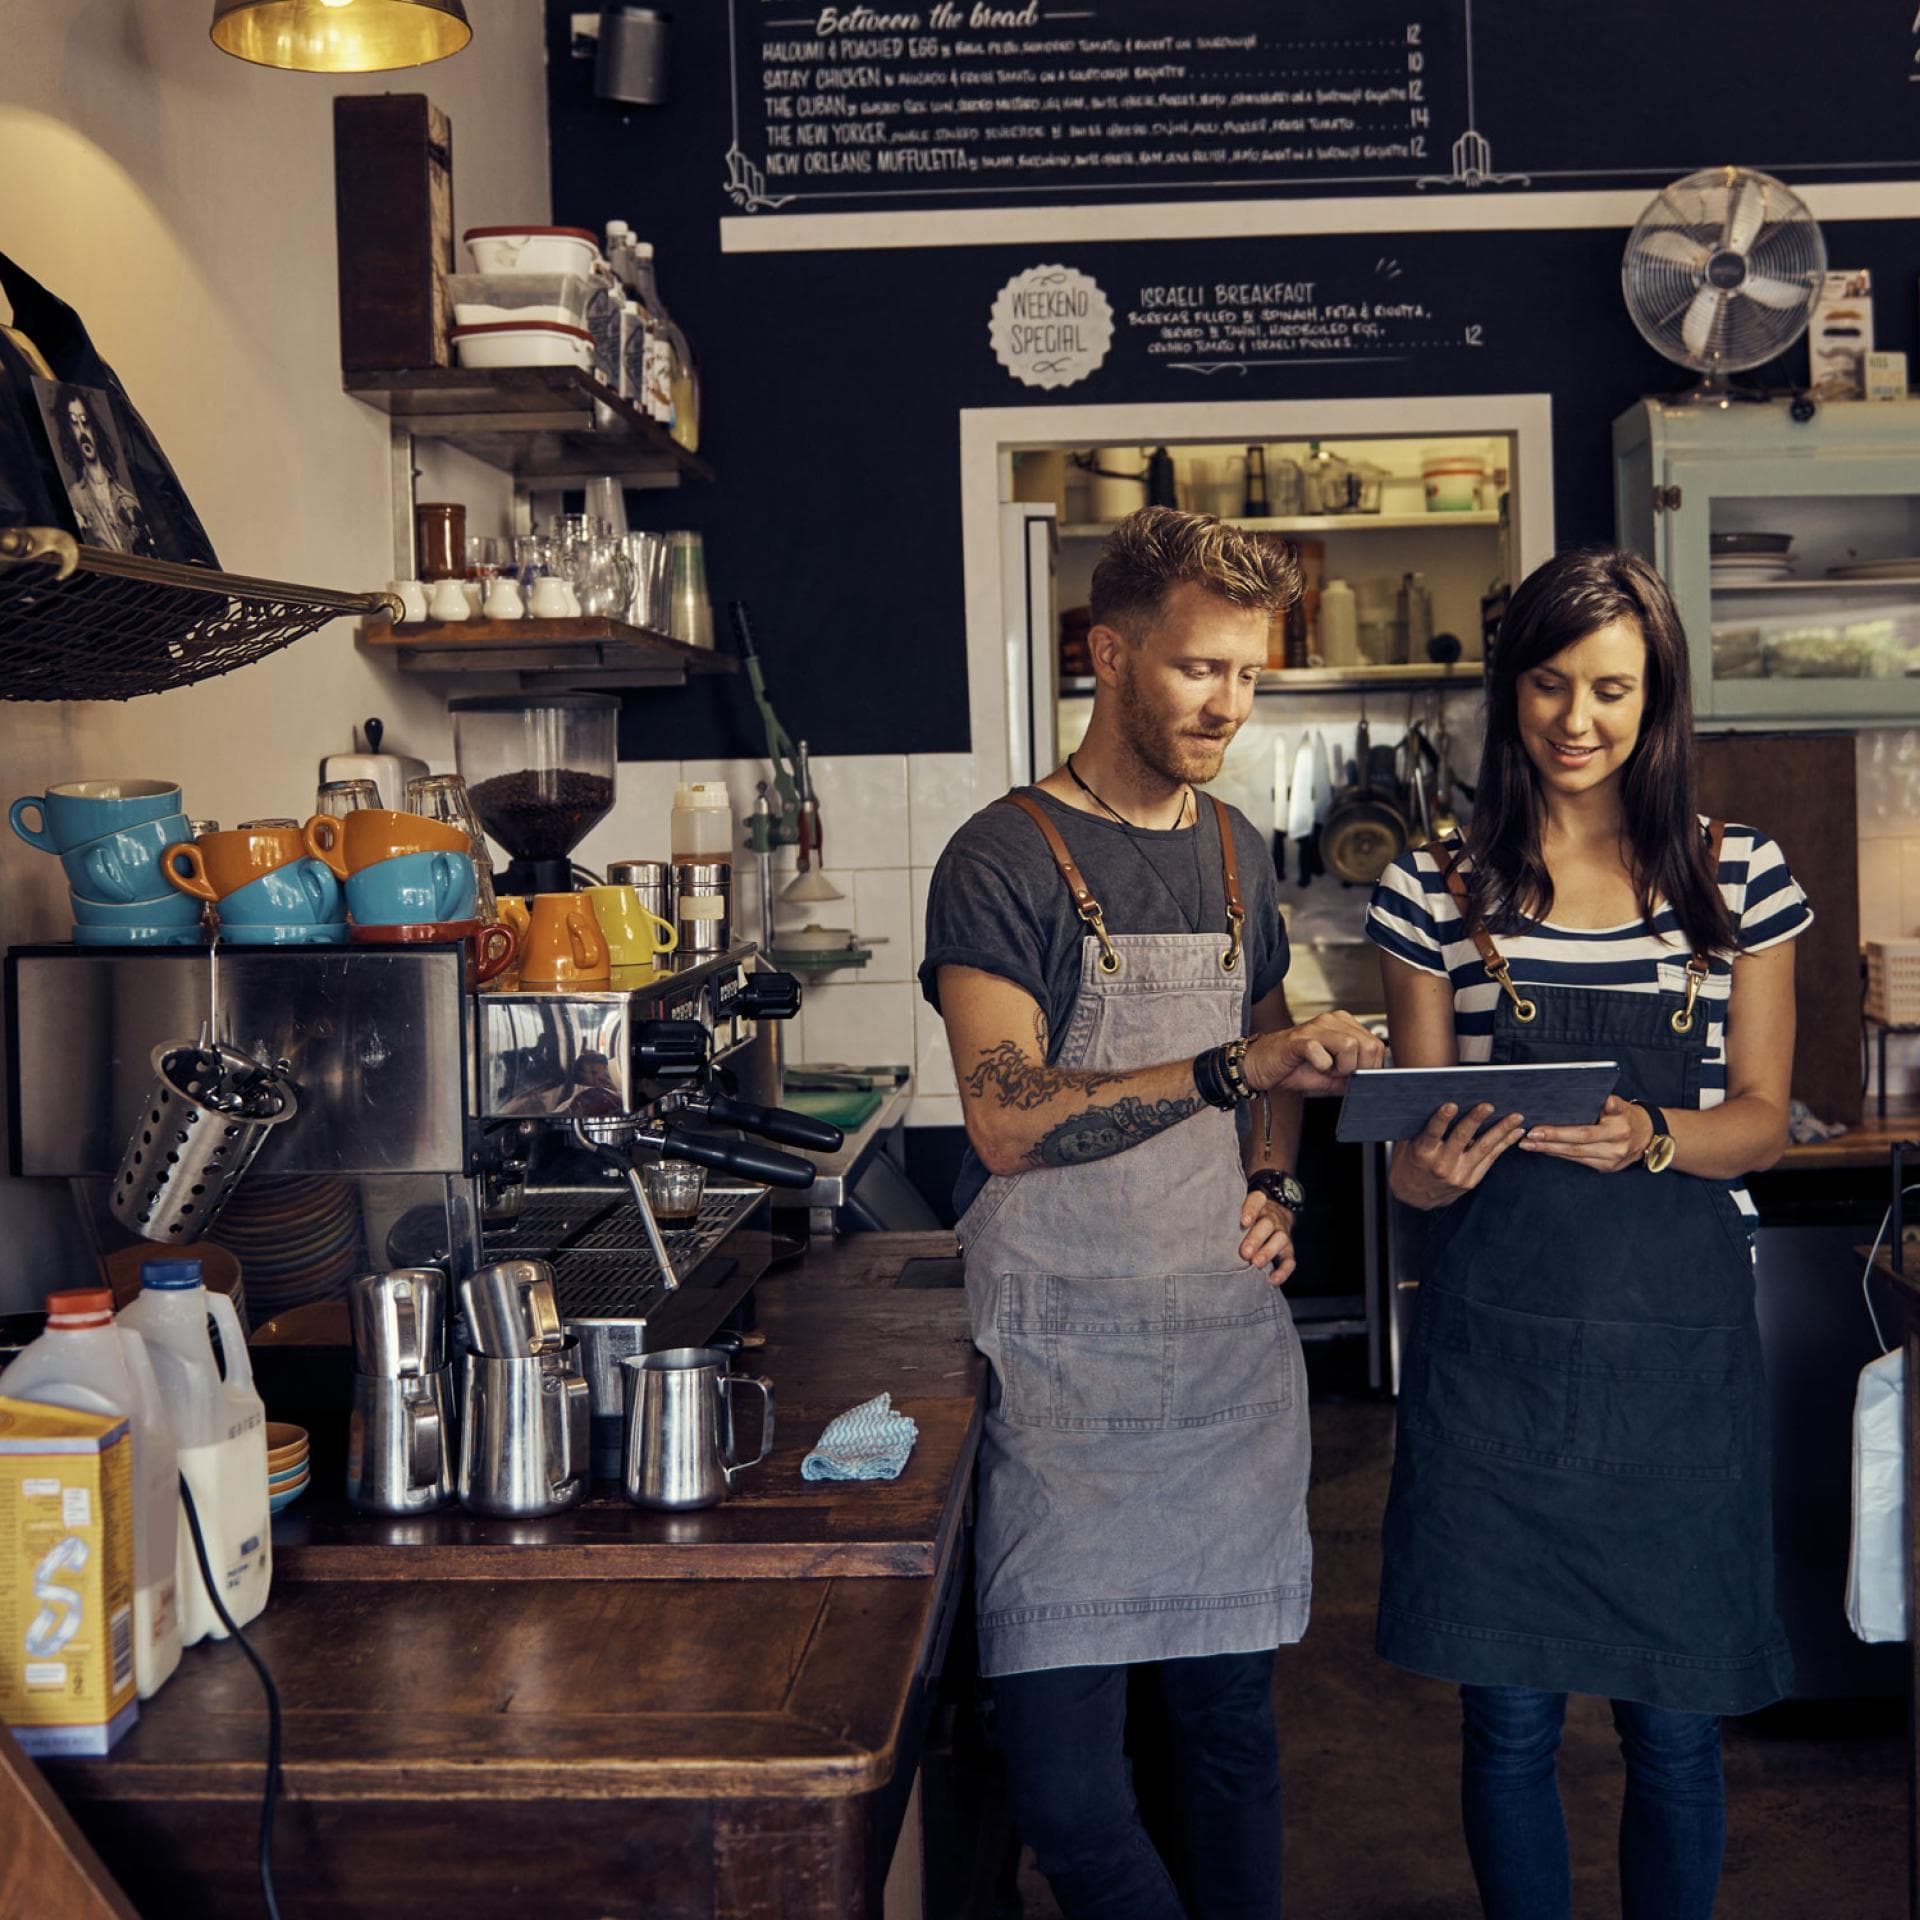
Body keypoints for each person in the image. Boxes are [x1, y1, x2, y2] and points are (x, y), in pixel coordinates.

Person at [920, 506, 1383, 1918]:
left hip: (1220, 1363)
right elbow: (1004, 1118)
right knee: (1068, 1798)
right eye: (1198, 669)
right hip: (1065, 1378)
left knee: (1230, 1746)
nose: (1227, 705)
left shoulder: (1238, 852)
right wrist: (1232, 1064)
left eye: (1248, 675)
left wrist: (1272, 1173)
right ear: (1108, 654)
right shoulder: (1000, 860)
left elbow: (1273, 1065)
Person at [1365, 546, 1809, 1920]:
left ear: (1657, 698)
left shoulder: (1741, 880)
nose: (1575, 719)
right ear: (1510, 695)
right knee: (1508, 1725)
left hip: (1672, 1373)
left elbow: (1765, 1119)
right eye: (1549, 685)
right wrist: (1432, 1171)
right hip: (1498, 1364)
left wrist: (1654, 1139)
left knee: (1672, 1727)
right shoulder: (1435, 889)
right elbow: (1411, 1172)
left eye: (1610, 689)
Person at [53, 388, 148, 553]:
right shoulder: (74, 498)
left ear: (95, 430)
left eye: (85, 421)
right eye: (75, 423)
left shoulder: (126, 496)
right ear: (69, 433)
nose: (83, 432)